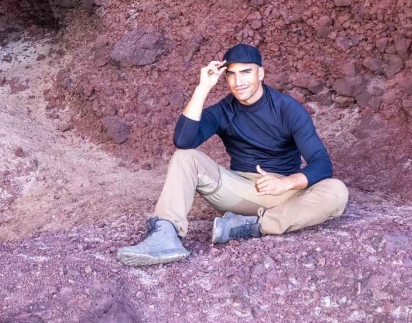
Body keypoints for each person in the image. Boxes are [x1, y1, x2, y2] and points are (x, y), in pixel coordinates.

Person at [117, 43, 349, 266]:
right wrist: (203, 88)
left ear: (260, 73)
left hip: (284, 193)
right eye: (231, 74)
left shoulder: (288, 109)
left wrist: (286, 183)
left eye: (246, 72)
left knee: (336, 191)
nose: (238, 82)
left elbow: (322, 163)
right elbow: (183, 141)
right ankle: (166, 235)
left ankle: (250, 226)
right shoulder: (223, 110)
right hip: (239, 191)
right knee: (184, 157)